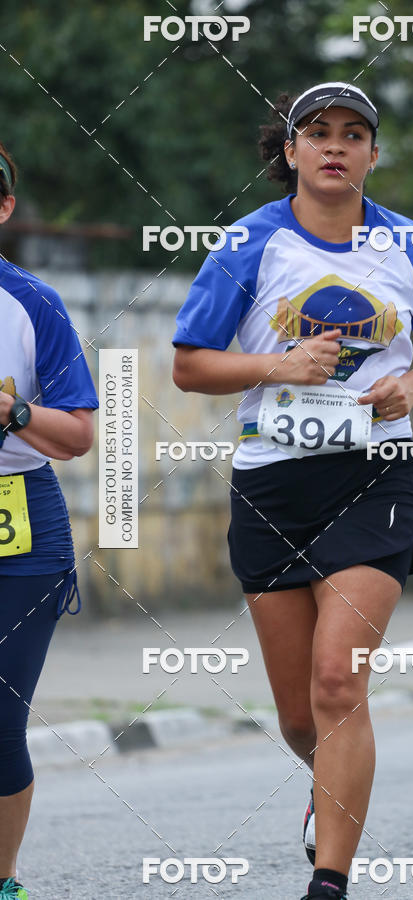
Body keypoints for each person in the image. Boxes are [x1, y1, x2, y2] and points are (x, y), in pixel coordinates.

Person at [172, 83, 413, 900]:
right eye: (318, 133)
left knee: (339, 679)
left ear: (374, 155)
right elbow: (189, 365)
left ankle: (330, 884)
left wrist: (411, 388)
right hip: (271, 483)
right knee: (302, 716)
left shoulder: (412, 245)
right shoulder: (247, 244)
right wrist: (279, 364)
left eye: (353, 134)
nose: (335, 146)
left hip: (373, 475)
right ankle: (325, 786)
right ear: (292, 152)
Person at [0, 143, 98, 899]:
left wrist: (14, 411)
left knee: (0, 724)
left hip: (22, 529)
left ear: (3, 210)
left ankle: (2, 880)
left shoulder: (33, 305)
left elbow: (76, 437)